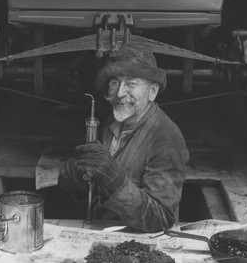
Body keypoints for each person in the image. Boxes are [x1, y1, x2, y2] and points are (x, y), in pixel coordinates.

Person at [58, 44, 189, 233]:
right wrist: (74, 175)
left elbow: (161, 219)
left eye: (131, 84)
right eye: (114, 83)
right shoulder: (111, 123)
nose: (119, 93)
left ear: (152, 91)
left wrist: (116, 181)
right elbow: (91, 187)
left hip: (142, 242)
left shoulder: (166, 138)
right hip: (105, 231)